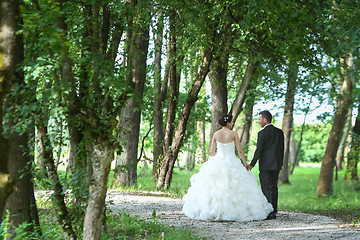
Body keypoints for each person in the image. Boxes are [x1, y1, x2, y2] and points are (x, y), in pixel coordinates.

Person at [182, 113, 273, 222]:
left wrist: (214, 160)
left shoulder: (216, 134)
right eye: (231, 121)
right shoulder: (233, 134)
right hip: (232, 161)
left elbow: (212, 152)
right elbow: (240, 151)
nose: (232, 123)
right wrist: (245, 164)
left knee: (215, 187)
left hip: (218, 160)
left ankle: (214, 211)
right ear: (228, 122)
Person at [246, 110, 284, 220]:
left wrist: (252, 164)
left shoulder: (262, 133)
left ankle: (269, 212)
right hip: (276, 164)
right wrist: (280, 163)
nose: (258, 121)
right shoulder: (279, 132)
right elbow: (282, 149)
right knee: (274, 187)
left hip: (266, 165)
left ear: (265, 120)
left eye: (259, 119)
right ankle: (274, 210)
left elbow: (259, 150)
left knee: (266, 188)